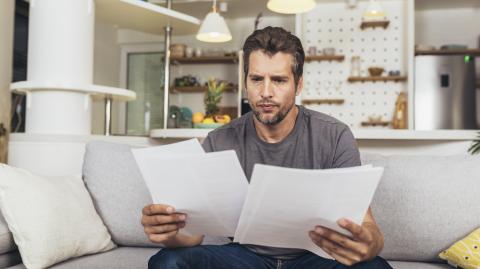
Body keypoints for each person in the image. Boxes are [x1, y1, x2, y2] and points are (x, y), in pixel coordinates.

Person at [142, 26, 392, 269]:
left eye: (279, 80)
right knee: (167, 262)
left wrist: (370, 244)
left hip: (316, 258)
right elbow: (193, 236)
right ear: (246, 82)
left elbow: (367, 225)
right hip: (245, 256)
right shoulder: (219, 140)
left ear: (299, 84)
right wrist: (168, 234)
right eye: (257, 79)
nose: (265, 92)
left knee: (374, 267)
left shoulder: (335, 135)